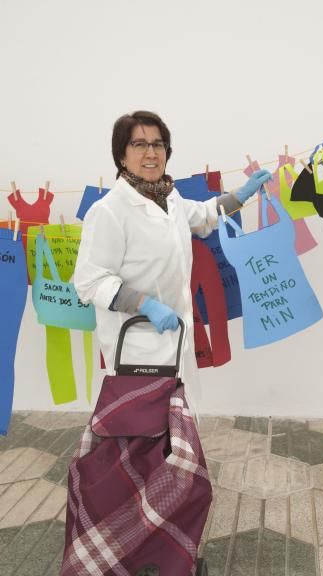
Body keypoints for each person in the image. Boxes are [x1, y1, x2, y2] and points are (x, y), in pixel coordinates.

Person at [74, 110, 272, 414]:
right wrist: (145, 304)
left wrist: (241, 196)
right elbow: (90, 281)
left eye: (159, 144)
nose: (151, 152)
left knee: (174, 428)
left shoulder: (169, 198)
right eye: (139, 144)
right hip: (136, 343)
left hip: (177, 337)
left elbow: (203, 214)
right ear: (122, 156)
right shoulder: (109, 211)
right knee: (142, 433)